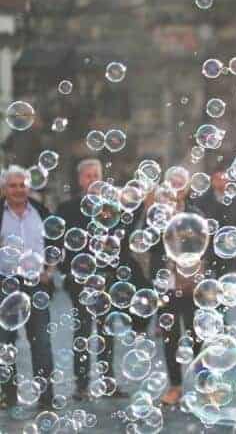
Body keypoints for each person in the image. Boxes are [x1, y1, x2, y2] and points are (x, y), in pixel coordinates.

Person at [57, 158, 145, 400]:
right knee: (83, 333)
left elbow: (132, 219)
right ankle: (82, 385)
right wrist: (73, 272)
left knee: (107, 332)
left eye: (96, 174)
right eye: (88, 175)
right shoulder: (67, 208)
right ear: (79, 180)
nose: (93, 179)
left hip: (107, 279)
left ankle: (108, 383)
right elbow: (61, 245)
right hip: (81, 280)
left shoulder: (111, 208)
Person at [147, 169, 204, 406]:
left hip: (191, 285)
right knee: (170, 337)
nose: (176, 187)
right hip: (166, 284)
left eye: (181, 183)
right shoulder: (156, 215)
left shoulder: (196, 215)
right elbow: (147, 244)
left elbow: (204, 248)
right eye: (172, 182)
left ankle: (201, 384)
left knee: (197, 334)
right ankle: (175, 386)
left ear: (188, 188)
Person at [0, 165, 55, 410]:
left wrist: (49, 271)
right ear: (4, 188)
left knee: (41, 341)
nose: (18, 190)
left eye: (22, 185)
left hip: (36, 285)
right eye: (13, 185)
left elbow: (56, 245)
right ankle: (6, 395)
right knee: (4, 343)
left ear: (28, 187)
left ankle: (46, 395)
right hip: (4, 283)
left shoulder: (41, 211)